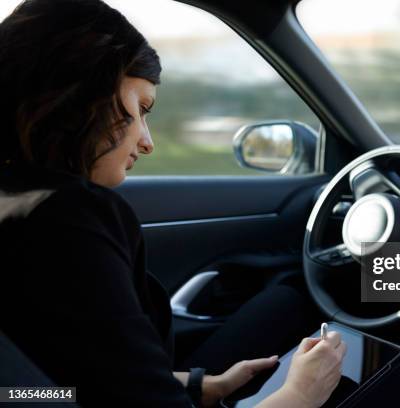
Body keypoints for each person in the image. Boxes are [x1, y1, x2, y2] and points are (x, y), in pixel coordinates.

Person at [0, 0, 346, 406]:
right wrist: (301, 395)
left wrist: (200, 387)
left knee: (290, 294)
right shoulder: (66, 218)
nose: (147, 142)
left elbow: (42, 387)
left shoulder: (19, 204)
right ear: (82, 94)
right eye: (140, 108)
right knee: (303, 298)